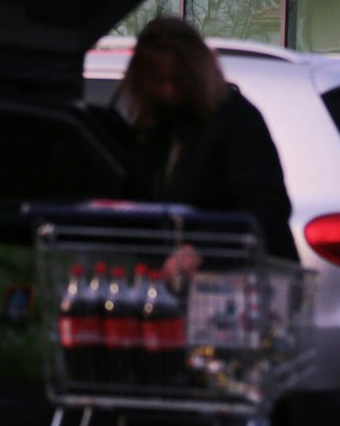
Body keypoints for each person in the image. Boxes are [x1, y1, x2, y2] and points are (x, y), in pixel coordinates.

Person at [111, 16, 297, 261]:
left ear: (195, 73)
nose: (168, 91)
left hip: (245, 277)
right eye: (158, 81)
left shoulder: (236, 120)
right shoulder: (159, 129)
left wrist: (201, 250)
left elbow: (266, 208)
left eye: (176, 79)